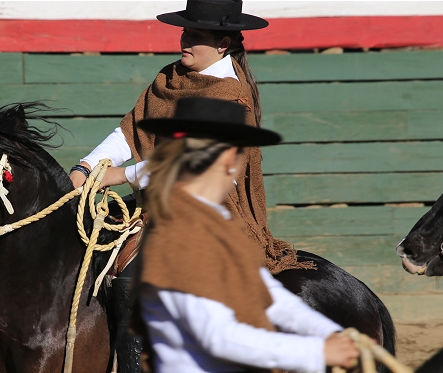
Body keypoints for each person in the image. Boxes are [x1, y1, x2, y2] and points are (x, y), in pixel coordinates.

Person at [69, 0, 311, 275]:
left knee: (133, 276)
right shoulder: (170, 78)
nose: (185, 40)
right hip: (156, 200)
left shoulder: (231, 96)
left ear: (223, 44)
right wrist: (86, 166)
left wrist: (123, 175)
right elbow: (131, 131)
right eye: (185, 32)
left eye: (197, 36)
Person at [135, 97, 359, 373]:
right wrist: (317, 351)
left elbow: (269, 295)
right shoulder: (180, 233)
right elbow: (218, 336)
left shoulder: (213, 223)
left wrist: (330, 333)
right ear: (230, 158)